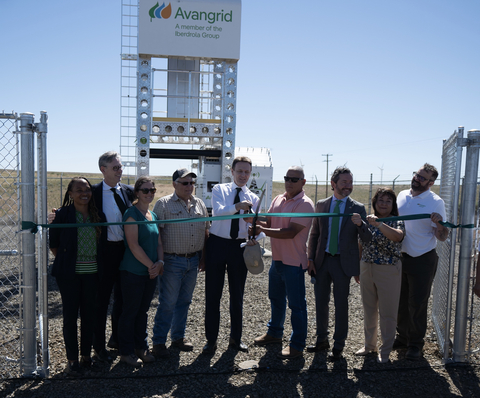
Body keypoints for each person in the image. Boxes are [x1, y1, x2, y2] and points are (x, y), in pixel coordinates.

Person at [307, 167, 372, 361]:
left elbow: (367, 238)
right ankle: (321, 341)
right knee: (320, 302)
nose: (348, 186)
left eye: (350, 182)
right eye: (344, 182)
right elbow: (315, 234)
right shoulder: (321, 205)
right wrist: (311, 259)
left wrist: (361, 225)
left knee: (341, 304)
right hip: (322, 261)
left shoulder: (358, 208)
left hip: (344, 264)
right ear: (333, 183)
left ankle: (338, 345)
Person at [252, 166, 314, 359]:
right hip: (277, 260)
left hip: (293, 262)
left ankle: (297, 345)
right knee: (276, 300)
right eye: (287, 178)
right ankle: (275, 334)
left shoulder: (305, 204)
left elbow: (290, 232)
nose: (289, 182)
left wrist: (260, 230)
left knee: (297, 305)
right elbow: (270, 223)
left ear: (303, 182)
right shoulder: (278, 199)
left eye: (294, 179)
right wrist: (252, 221)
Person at [203, 156, 259, 354]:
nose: (243, 175)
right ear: (232, 172)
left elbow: (256, 226)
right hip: (217, 245)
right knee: (213, 294)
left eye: (247, 172)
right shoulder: (220, 190)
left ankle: (236, 339)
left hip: (239, 247)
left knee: (237, 296)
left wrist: (255, 238)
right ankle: (211, 340)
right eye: (240, 171)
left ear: (250, 174)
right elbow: (218, 212)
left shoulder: (254, 198)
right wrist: (237, 207)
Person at [151, 168, 209, 358]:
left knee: (184, 301)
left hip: (193, 260)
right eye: (185, 183)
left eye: (192, 183)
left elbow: (206, 232)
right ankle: (159, 341)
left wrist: (203, 256)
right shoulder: (163, 204)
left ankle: (178, 337)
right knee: (167, 302)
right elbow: (156, 235)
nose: (189, 186)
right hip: (171, 260)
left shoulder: (200, 203)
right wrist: (159, 260)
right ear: (174, 184)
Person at [49, 177, 104, 374]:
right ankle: (72, 359)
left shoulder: (99, 215)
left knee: (89, 315)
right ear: (70, 194)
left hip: (92, 274)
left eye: (87, 189)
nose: (84, 193)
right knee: (70, 317)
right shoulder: (62, 215)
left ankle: (86, 356)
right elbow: (54, 244)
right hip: (69, 275)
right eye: (78, 189)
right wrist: (69, 262)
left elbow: (103, 244)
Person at [395, 163, 448, 360]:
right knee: (401, 300)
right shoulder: (401, 195)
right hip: (401, 256)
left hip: (423, 258)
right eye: (417, 175)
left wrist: (439, 223)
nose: (417, 179)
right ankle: (402, 337)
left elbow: (442, 236)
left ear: (431, 183)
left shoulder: (436, 202)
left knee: (417, 303)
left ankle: (416, 344)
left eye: (422, 178)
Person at [91, 152, 134, 362]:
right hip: (104, 253)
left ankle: (117, 339)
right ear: (103, 170)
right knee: (101, 301)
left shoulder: (128, 191)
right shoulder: (92, 192)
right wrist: (56, 215)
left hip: (126, 251)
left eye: (121, 166)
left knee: (123, 299)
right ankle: (98, 347)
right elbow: (76, 211)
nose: (120, 171)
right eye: (115, 167)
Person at [118, 176, 163, 367]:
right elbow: (133, 245)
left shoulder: (152, 215)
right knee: (130, 312)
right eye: (145, 190)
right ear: (137, 192)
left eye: (152, 190)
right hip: (133, 272)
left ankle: (140, 347)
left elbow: (159, 242)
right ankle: (126, 351)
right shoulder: (131, 214)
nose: (149, 193)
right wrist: (151, 266)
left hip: (149, 272)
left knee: (142, 312)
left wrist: (160, 262)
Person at [356, 188, 405, 363]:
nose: (383, 204)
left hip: (388, 270)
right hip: (367, 267)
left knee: (388, 312)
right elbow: (361, 242)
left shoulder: (396, 221)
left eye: (388, 201)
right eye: (380, 200)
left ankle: (385, 351)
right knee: (369, 309)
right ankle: (369, 345)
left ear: (393, 205)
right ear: (375, 202)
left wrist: (379, 224)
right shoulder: (368, 219)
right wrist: (359, 266)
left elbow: (397, 237)